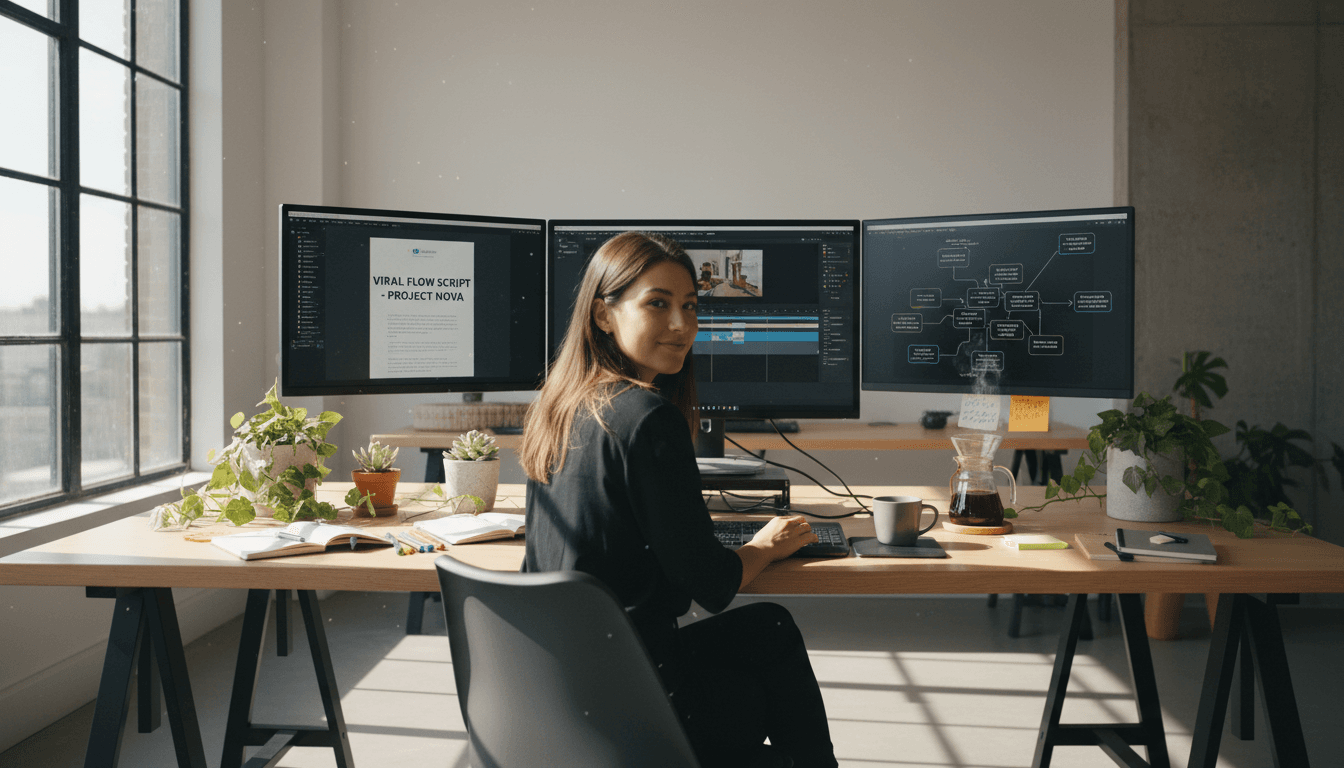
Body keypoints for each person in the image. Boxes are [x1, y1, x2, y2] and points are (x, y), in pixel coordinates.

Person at [520, 231, 838, 768]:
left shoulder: (561, 405)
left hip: (565, 695)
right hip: (639, 705)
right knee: (772, 652)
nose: (681, 324)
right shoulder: (648, 418)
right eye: (657, 304)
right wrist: (764, 544)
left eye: (690, 306)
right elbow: (712, 584)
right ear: (603, 314)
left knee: (765, 632)